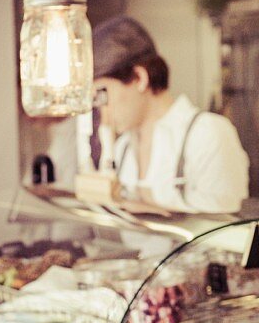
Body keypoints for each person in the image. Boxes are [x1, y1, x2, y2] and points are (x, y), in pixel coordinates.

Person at [91, 16, 249, 214]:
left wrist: (146, 198)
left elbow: (228, 226)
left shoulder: (208, 134)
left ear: (139, 78)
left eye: (103, 94)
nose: (101, 108)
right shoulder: (123, 147)